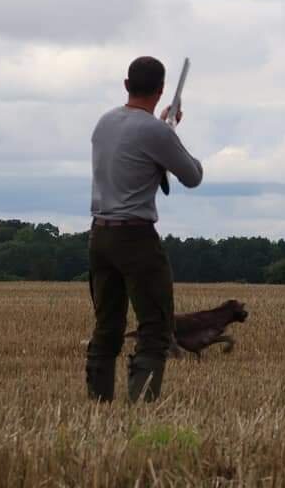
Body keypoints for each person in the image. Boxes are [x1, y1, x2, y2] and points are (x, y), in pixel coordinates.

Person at [85, 56, 203, 402]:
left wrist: (165, 129)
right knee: (155, 328)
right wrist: (170, 132)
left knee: (107, 326)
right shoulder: (155, 131)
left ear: (126, 85)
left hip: (99, 236)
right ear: (161, 89)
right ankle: (141, 411)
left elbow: (133, 155)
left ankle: (98, 407)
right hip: (135, 238)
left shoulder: (104, 123)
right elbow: (192, 176)